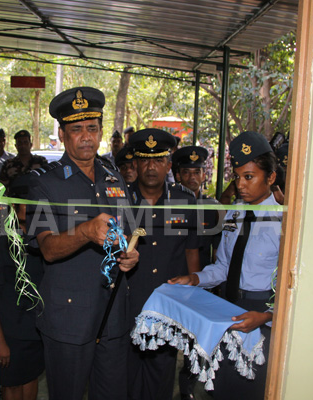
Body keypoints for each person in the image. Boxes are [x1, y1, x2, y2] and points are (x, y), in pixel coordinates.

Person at [25, 87, 139, 400]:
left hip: (114, 314)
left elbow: (128, 233)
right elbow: (47, 249)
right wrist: (85, 232)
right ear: (62, 135)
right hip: (69, 319)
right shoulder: (44, 183)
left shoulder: (114, 177)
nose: (86, 137)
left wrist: (130, 255)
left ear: (100, 131)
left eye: (92, 128)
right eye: (76, 129)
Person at [168, 131, 283, 400]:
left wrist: (268, 317)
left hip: (261, 313)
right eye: (237, 177)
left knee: (252, 388)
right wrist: (195, 279)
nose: (240, 185)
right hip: (228, 308)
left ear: (271, 178)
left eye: (249, 177)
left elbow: (291, 287)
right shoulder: (234, 213)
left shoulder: (283, 221)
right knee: (222, 386)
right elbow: (223, 267)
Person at [125, 129, 200, 400]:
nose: (151, 167)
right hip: (128, 306)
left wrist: (192, 301)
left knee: (161, 379)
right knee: (128, 380)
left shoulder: (185, 201)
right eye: (145, 160)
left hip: (168, 307)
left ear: (169, 166)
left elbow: (191, 251)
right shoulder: (121, 200)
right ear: (135, 164)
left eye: (158, 160)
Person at [172, 145, 223, 400]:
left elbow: (218, 248)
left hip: (203, 279)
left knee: (197, 337)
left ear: (204, 175)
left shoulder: (213, 207)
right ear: (177, 175)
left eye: (197, 172)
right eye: (186, 172)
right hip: (175, 279)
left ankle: (187, 384)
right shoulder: (170, 204)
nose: (192, 177)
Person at [0, 174, 44, 400]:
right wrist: (0, 341)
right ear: (13, 206)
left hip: (35, 328)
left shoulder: (43, 238)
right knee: (13, 385)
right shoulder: (1, 240)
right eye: (28, 203)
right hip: (11, 332)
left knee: (31, 379)